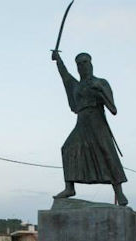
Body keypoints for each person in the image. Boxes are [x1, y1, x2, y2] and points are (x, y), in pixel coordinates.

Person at [51, 51, 128, 206]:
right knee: (68, 148)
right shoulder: (76, 86)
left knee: (107, 152)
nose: (82, 66)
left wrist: (99, 90)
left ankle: (119, 193)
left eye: (85, 62)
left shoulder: (101, 82)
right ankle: (69, 187)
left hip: (97, 120)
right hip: (82, 122)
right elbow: (65, 76)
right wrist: (58, 60)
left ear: (91, 64)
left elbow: (113, 109)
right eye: (79, 64)